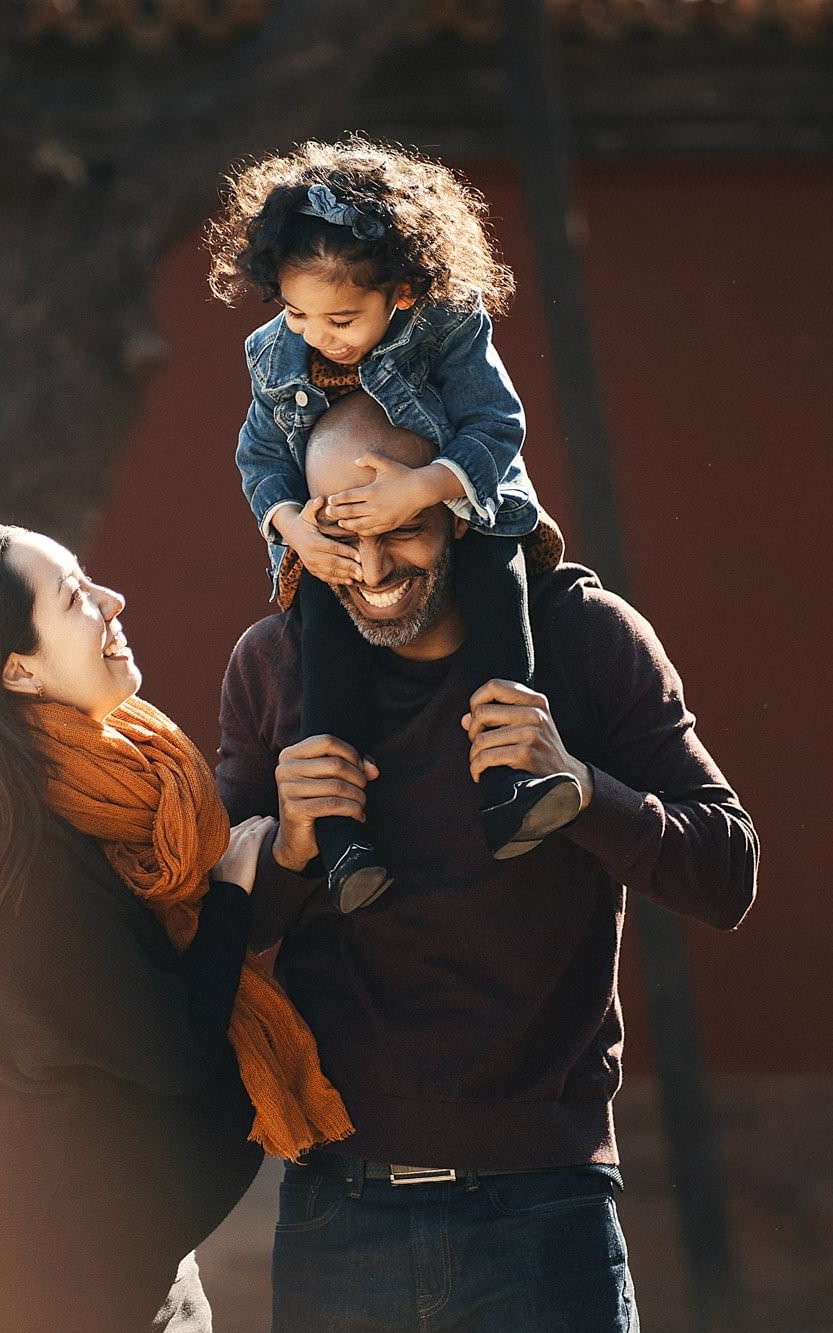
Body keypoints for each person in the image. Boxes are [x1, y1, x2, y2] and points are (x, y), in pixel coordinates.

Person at [214, 395, 761, 1333]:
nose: (374, 569)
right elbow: (207, 935)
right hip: (340, 1208)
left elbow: (729, 870)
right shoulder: (274, 666)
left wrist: (584, 789)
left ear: (464, 508)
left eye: (405, 530)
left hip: (545, 1210)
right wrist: (291, 849)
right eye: (346, 537)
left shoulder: (583, 636)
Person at [0, 525, 352, 1333]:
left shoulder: (84, 806)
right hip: (42, 1280)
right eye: (77, 597)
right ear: (19, 669)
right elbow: (172, 1040)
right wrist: (227, 894)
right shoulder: (25, 864)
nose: (113, 603)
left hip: (128, 1265)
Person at [206, 135, 578, 914]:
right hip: (331, 524)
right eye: (297, 311)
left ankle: (511, 781)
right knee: (325, 638)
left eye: (342, 317)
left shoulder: (448, 324)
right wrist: (294, 531)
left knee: (494, 585)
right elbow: (259, 458)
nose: (320, 335)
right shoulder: (276, 353)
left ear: (403, 290)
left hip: (464, 508)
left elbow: (495, 425)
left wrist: (421, 490)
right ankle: (342, 837)